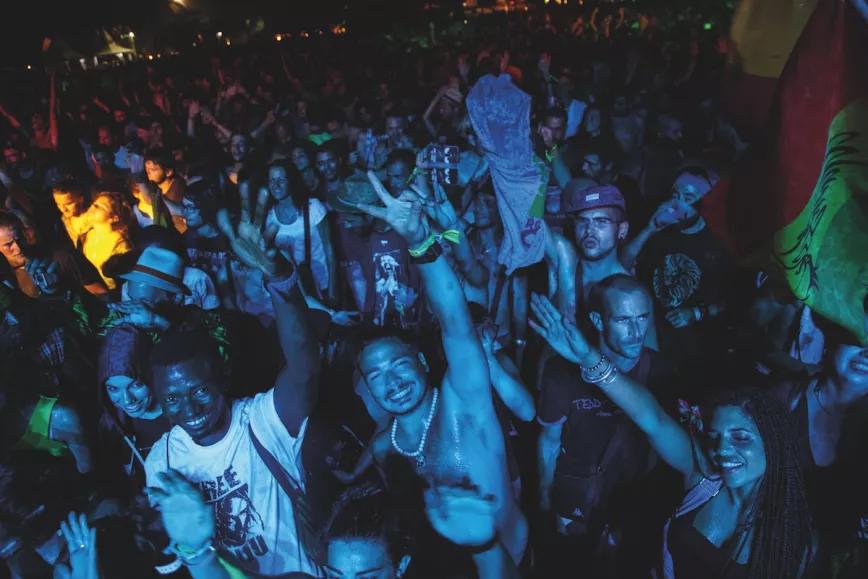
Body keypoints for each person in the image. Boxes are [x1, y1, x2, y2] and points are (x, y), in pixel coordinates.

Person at [530, 292, 816, 578]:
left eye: (741, 437)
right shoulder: (705, 479)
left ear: (772, 441)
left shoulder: (793, 534)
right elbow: (650, 417)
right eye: (715, 437)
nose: (723, 449)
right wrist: (588, 356)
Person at [350, 171, 528, 566]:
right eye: (376, 375)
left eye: (399, 364)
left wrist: (419, 243)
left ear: (424, 362)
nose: (392, 381)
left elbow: (455, 321)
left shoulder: (463, 403)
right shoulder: (384, 448)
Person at [144, 192, 322, 576]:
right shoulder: (163, 462)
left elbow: (305, 367)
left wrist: (279, 278)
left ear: (222, 377)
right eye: (172, 398)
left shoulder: (261, 420)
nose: (188, 410)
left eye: (200, 391)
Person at [537, 274, 675, 576]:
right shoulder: (562, 371)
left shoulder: (663, 372)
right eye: (624, 320)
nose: (636, 331)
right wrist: (547, 496)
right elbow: (549, 440)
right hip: (577, 500)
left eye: (642, 318)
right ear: (599, 321)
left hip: (634, 505)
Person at [97, 324, 171, 491]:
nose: (127, 400)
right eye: (113, 389)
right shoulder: (111, 425)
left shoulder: (181, 413)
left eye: (136, 385)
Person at [265, 160, 337, 302]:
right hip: (295, 289)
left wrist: (333, 290)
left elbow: (330, 250)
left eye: (281, 180)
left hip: (322, 284)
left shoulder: (313, 207)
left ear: (291, 181)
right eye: (272, 180)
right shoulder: (270, 215)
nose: (276, 185)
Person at [78, 191, 134, 290]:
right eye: (94, 204)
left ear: (114, 218)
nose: (92, 208)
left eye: (99, 207)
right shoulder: (85, 236)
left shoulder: (120, 244)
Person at [144, 148, 187, 233]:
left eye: (153, 169)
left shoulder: (177, 187)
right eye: (147, 169)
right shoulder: (156, 188)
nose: (148, 172)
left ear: (168, 172)